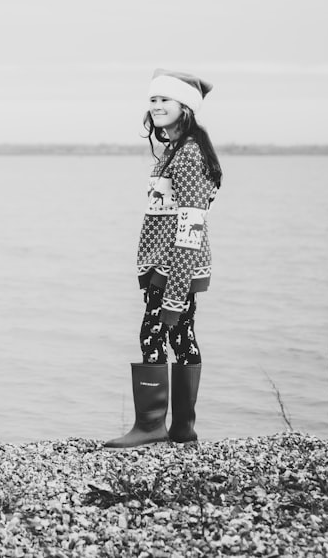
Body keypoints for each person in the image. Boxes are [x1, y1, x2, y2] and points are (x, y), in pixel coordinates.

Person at [104, 69, 223, 449]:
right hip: (170, 264)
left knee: (154, 334)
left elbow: (190, 225)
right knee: (182, 336)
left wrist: (174, 290)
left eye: (164, 100)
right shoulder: (177, 150)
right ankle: (183, 429)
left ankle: (151, 426)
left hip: (175, 266)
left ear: (185, 107)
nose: (156, 106)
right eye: (152, 100)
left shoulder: (187, 155)